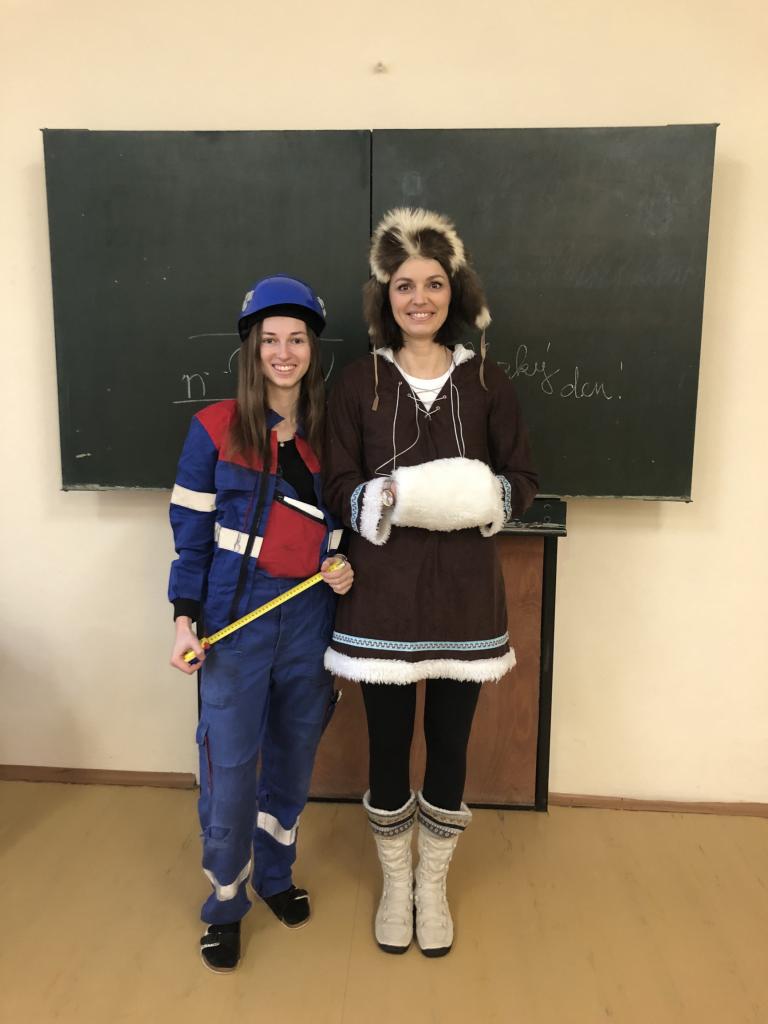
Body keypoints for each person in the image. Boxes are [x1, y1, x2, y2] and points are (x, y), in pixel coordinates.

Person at [323, 208, 538, 958]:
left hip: (464, 600)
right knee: (387, 746)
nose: (420, 297)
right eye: (405, 285)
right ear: (385, 296)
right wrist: (388, 499)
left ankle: (432, 883)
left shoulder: (486, 381)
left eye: (435, 283)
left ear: (456, 291)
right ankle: (395, 881)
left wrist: (479, 497)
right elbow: (337, 484)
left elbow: (521, 479)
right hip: (379, 600)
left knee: (449, 745)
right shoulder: (357, 383)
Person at [168, 275, 354, 973]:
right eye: (270, 339)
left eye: (296, 339)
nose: (283, 352)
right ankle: (226, 902)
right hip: (234, 626)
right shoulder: (214, 429)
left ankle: (275, 876)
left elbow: (345, 529)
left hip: (310, 620)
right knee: (230, 767)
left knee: (293, 757)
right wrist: (184, 621)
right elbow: (191, 540)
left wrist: (343, 566)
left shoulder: (335, 434)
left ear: (312, 348)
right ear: (251, 348)